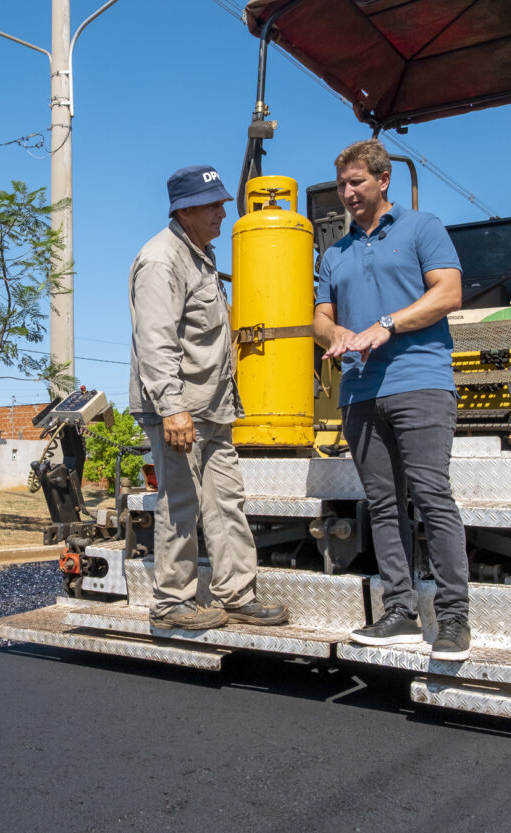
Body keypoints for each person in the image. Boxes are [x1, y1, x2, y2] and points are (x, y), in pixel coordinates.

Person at [312, 139, 470, 661]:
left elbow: (447, 294)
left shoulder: (423, 228)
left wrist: (387, 325)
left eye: (356, 182)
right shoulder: (333, 253)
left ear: (383, 181)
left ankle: (452, 619)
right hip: (359, 392)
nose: (347, 193)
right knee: (382, 505)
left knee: (430, 496)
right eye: (341, 185)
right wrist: (331, 334)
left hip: (420, 381)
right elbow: (320, 317)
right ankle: (399, 611)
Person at [128, 164, 289, 631]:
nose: (224, 211)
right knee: (181, 501)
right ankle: (170, 603)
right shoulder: (162, 260)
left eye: (222, 201)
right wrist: (173, 408)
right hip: (178, 408)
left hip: (214, 407)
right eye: (214, 204)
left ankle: (236, 594)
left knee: (226, 502)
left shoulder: (201, 256)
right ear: (185, 209)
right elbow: (155, 341)